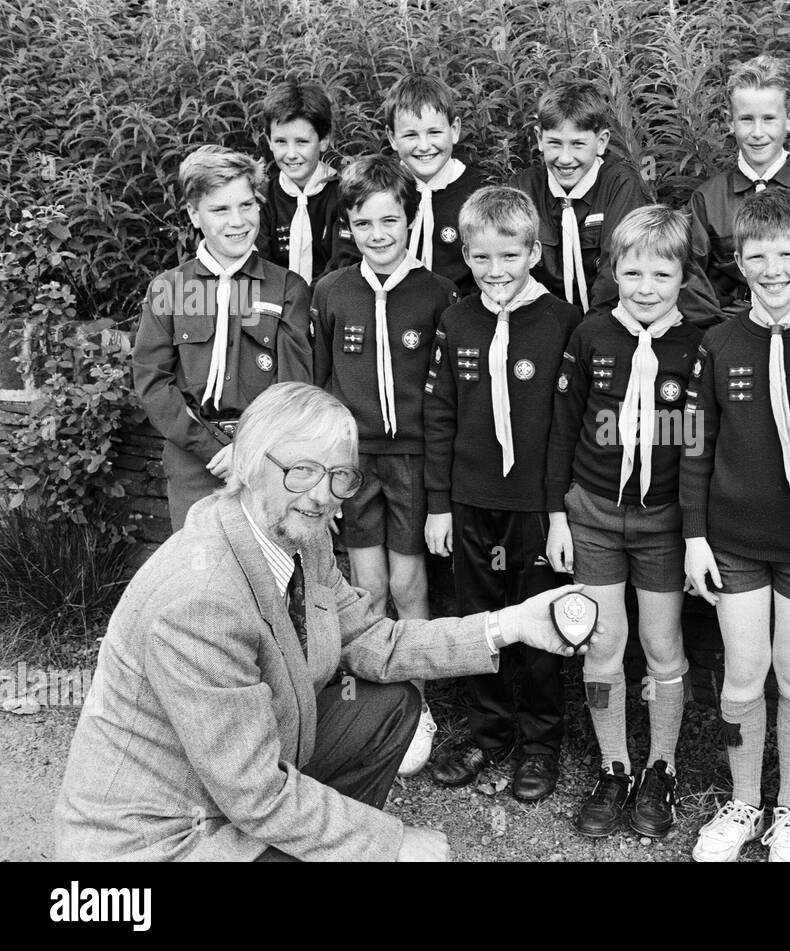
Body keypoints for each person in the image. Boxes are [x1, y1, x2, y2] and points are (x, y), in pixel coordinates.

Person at [53, 382, 597, 861]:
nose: (321, 495)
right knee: (339, 825)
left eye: (339, 475)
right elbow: (255, 793)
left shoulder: (295, 538)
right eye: (301, 470)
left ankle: (319, 841)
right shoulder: (201, 602)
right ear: (246, 462)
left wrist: (515, 623)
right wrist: (389, 843)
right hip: (164, 839)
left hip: (231, 786)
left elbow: (377, 644)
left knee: (386, 705)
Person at [681, 189, 790, 862]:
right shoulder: (719, 345)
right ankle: (743, 799)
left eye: (788, 253)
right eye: (757, 253)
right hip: (733, 543)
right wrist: (695, 535)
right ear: (738, 258)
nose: (773, 266)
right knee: (741, 673)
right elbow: (695, 445)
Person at [546, 205, 704, 838]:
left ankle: (660, 768)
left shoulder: (697, 346)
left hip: (663, 520)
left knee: (664, 648)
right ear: (612, 270)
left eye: (661, 274)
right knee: (603, 646)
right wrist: (557, 513)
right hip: (594, 518)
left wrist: (697, 530)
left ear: (683, 276)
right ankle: (615, 766)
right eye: (632, 272)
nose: (645, 287)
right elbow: (562, 429)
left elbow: (697, 443)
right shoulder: (591, 335)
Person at [423, 186, 583, 802]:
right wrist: (439, 503)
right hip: (469, 501)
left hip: (535, 508)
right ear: (464, 252)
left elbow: (566, 429)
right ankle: (488, 734)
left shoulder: (563, 320)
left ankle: (541, 743)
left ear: (532, 250)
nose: (496, 271)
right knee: (476, 620)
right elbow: (440, 414)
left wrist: (557, 511)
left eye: (510, 256)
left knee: (541, 624)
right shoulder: (457, 318)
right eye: (482, 258)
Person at [311, 154, 460, 776]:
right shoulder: (331, 292)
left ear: (410, 218)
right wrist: (325, 470)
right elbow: (319, 388)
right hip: (355, 465)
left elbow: (448, 394)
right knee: (366, 588)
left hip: (414, 461)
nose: (378, 234)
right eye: (365, 223)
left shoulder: (436, 293)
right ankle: (374, 702)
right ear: (348, 226)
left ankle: (417, 704)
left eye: (390, 221)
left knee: (408, 585)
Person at [134, 145, 312, 531]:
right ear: (194, 215)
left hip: (267, 462)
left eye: (246, 205)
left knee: (268, 578)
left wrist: (248, 451)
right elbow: (153, 384)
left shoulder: (286, 289)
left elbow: (293, 389)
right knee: (199, 577)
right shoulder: (172, 288)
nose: (238, 221)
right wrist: (214, 449)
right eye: (220, 210)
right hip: (194, 462)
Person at [683, 54, 790, 329]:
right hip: (728, 330)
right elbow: (692, 279)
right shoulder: (707, 199)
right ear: (729, 121)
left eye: (769, 118)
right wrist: (724, 334)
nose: (757, 132)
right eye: (746, 119)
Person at [510, 79, 652, 315]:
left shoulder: (620, 183)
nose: (565, 159)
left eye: (578, 144)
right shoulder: (524, 187)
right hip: (541, 318)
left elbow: (617, 268)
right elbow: (512, 265)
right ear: (539, 138)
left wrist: (587, 334)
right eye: (555, 143)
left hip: (606, 319)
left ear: (601, 142)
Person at [384, 72, 489, 300]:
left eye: (434, 132)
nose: (424, 146)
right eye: (410, 135)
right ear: (392, 138)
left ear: (454, 130)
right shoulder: (381, 192)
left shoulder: (479, 192)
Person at [255, 80, 357, 284]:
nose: (291, 154)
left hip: (330, 301)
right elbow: (260, 262)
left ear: (324, 140)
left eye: (302, 142)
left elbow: (344, 262)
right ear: (269, 142)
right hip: (277, 303)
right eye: (281, 142)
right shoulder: (263, 198)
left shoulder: (343, 195)